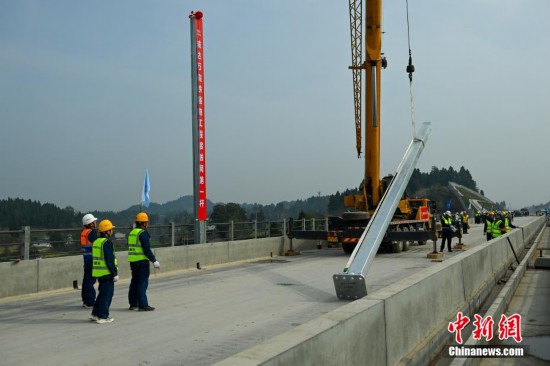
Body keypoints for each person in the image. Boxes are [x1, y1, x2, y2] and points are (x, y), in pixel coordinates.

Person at [128, 212, 160, 311]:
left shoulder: (132, 233)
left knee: (134, 282)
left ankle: (133, 303)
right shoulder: (143, 233)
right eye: (146, 222)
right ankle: (143, 304)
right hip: (142, 262)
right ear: (144, 223)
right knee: (142, 283)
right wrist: (154, 260)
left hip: (133, 262)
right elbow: (146, 249)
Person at [91, 220, 118, 324]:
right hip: (107, 273)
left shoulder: (96, 242)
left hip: (99, 272)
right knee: (107, 295)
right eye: (111, 229)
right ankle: (103, 316)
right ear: (107, 231)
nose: (112, 231)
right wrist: (114, 273)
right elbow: (109, 260)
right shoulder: (107, 243)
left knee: (102, 294)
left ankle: (95, 314)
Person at [81, 213, 98, 308]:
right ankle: (90, 301)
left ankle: (85, 300)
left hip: (86, 259)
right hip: (92, 259)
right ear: (90, 223)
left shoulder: (84, 232)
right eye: (94, 221)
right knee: (90, 281)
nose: (95, 223)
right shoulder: (92, 233)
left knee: (86, 281)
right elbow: (97, 244)